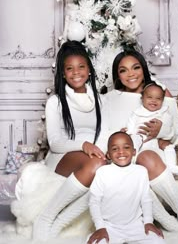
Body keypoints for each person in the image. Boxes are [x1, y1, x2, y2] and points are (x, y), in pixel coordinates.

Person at [100, 48, 178, 235]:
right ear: (117, 75)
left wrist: (160, 130)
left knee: (145, 158)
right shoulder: (109, 99)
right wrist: (118, 135)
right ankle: (167, 221)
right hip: (123, 155)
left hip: (153, 151)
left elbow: (177, 130)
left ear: (143, 68)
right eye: (123, 70)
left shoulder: (160, 91)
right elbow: (103, 132)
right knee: (128, 169)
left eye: (135, 67)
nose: (131, 74)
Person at [32, 40, 107, 241]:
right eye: (69, 68)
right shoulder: (55, 102)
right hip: (62, 156)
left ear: (89, 70)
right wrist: (84, 145)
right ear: (63, 73)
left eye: (81, 66)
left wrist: (99, 149)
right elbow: (55, 143)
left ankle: (60, 222)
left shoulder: (99, 99)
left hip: (92, 154)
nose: (76, 72)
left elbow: (105, 131)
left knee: (105, 170)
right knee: (98, 165)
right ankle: (46, 218)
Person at [87, 131, 165, 244]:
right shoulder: (102, 172)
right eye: (115, 149)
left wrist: (148, 222)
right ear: (108, 154)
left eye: (126, 147)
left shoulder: (141, 171)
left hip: (135, 225)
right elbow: (94, 202)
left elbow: (146, 199)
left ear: (134, 151)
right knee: (96, 242)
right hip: (109, 226)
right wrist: (100, 227)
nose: (121, 152)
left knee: (158, 240)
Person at [126, 81, 178, 175]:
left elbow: (169, 128)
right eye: (149, 97)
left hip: (157, 140)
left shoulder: (164, 113)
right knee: (134, 139)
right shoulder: (137, 113)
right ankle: (130, 162)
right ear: (142, 98)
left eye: (158, 98)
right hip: (140, 139)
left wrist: (162, 129)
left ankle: (171, 165)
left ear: (163, 100)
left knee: (168, 145)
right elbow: (130, 126)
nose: (153, 100)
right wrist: (128, 132)